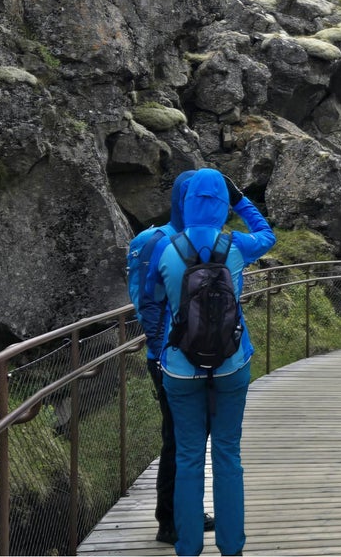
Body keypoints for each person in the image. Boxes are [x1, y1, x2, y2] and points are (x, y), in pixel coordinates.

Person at [144, 168, 275, 557]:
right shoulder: (235, 246)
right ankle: (231, 546)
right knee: (227, 454)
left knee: (187, 456)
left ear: (185, 202)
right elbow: (269, 235)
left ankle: (188, 546)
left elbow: (152, 307)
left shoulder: (165, 249)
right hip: (232, 364)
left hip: (180, 369)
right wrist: (242, 200)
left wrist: (160, 347)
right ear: (221, 203)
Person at [127, 171, 215, 546]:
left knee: (190, 438)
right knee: (178, 438)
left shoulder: (192, 239)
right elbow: (147, 304)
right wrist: (164, 354)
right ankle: (170, 521)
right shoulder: (157, 240)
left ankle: (185, 512)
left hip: (197, 357)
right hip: (170, 359)